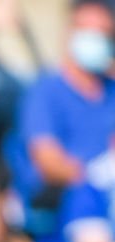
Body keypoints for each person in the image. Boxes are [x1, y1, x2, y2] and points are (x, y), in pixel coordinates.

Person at [17, 0, 115, 207]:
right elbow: (48, 162)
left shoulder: (110, 90)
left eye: (103, 33)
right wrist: (93, 177)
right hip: (66, 208)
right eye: (87, 30)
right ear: (69, 32)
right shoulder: (46, 91)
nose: (95, 38)